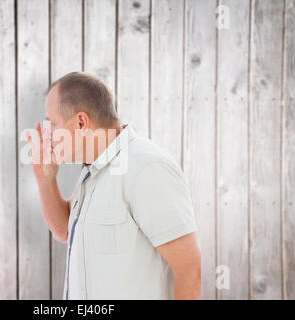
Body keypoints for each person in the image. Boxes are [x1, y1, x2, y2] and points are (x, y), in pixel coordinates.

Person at [26, 72, 201, 299]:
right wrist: (45, 180)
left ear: (80, 123)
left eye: (53, 124)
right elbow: (65, 230)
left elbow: (188, 270)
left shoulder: (145, 167)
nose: (48, 136)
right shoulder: (92, 172)